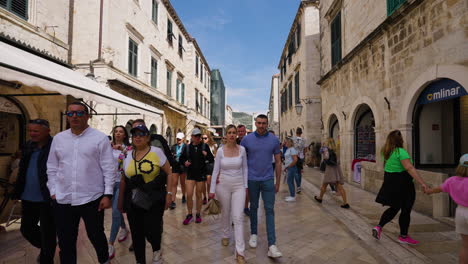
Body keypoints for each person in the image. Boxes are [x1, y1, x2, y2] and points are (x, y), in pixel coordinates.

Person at [47, 102, 115, 264]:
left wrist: (108, 194)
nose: (74, 116)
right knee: (66, 240)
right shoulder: (59, 139)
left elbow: (108, 168)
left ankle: (104, 260)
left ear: (88, 115)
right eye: (70, 114)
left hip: (92, 197)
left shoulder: (99, 138)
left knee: (96, 235)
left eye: (79, 113)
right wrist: (53, 190)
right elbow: (52, 167)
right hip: (64, 197)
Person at [117, 125, 173, 264]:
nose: (137, 137)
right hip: (134, 200)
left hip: (154, 199)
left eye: (141, 134)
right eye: (135, 134)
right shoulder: (128, 155)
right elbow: (124, 178)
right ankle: (139, 260)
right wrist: (120, 199)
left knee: (152, 230)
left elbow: (169, 172)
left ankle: (156, 252)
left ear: (148, 137)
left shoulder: (156, 152)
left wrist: (169, 194)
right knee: (136, 233)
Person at [372, 130, 428, 245]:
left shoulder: (386, 151)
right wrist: (422, 183)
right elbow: (409, 168)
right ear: (400, 140)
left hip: (390, 183)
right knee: (406, 210)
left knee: (394, 208)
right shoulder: (401, 152)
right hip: (403, 185)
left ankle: (379, 227)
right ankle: (403, 236)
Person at [13, 119, 56, 264]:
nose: (32, 134)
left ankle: (47, 257)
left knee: (47, 231)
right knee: (26, 229)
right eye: (30, 130)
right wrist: (16, 192)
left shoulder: (55, 146)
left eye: (36, 131)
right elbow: (22, 171)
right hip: (28, 196)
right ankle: (47, 248)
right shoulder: (28, 146)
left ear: (47, 131)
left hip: (47, 197)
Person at [241, 114, 283, 258]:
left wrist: (278, 181)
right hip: (251, 179)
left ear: (267, 124)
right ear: (255, 123)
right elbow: (241, 160)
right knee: (253, 207)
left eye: (264, 123)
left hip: (267, 179)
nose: (261, 126)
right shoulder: (246, 140)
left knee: (269, 210)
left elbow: (278, 162)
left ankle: (272, 244)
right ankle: (253, 234)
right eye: (259, 123)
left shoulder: (274, 140)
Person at [209, 125, 248, 264]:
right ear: (226, 135)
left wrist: (246, 186)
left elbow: (245, 168)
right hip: (223, 185)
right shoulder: (220, 151)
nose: (232, 135)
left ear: (237, 135)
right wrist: (212, 190)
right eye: (229, 133)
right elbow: (215, 171)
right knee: (226, 212)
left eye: (234, 133)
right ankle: (225, 234)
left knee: (238, 217)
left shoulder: (242, 150)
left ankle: (240, 252)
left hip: (239, 186)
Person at [426, 154, 468, 263]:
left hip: (460, 212)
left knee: (465, 245)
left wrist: (428, 191)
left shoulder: (452, 180)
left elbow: (439, 189)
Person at [180, 128, 214, 225]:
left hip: (201, 174)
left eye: (199, 136)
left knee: (199, 195)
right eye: (196, 136)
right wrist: (184, 162)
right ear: (192, 137)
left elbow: (211, 159)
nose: (198, 138)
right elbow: (181, 158)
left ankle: (198, 214)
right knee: (189, 195)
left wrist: (206, 154)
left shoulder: (204, 146)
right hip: (190, 174)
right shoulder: (187, 147)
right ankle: (190, 214)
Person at [107, 125, 131, 259]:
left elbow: (131, 162)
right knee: (117, 210)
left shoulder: (129, 149)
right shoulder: (107, 147)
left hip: (121, 183)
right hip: (109, 183)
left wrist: (123, 150)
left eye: (121, 132)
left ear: (125, 135)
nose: (117, 133)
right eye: (115, 131)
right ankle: (123, 227)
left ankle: (110, 244)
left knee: (116, 211)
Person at [314, 138, 349, 208]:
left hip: (330, 169)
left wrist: (323, 153)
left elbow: (326, 158)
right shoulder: (336, 150)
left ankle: (320, 198)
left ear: (327, 143)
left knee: (325, 184)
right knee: (337, 185)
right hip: (336, 168)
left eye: (325, 142)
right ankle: (345, 203)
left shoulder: (326, 150)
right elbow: (338, 161)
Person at [170, 132, 187, 209]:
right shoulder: (173, 147)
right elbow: (170, 155)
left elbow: (188, 156)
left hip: (182, 167)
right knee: (174, 183)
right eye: (177, 139)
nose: (178, 140)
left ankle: (184, 195)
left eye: (180, 139)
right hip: (175, 166)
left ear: (183, 139)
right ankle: (173, 201)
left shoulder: (186, 147)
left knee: (183, 183)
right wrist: (173, 156)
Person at [236, 124, 250, 216]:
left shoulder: (249, 141)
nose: (241, 133)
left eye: (242, 131)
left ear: (245, 132)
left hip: (248, 168)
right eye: (239, 131)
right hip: (236, 169)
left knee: (246, 189)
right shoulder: (234, 141)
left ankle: (245, 207)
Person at [202, 133, 217, 204]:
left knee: (208, 182)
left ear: (209, 138)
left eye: (205, 138)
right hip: (202, 165)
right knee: (202, 183)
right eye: (202, 138)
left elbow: (216, 155)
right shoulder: (201, 146)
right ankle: (204, 196)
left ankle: (209, 197)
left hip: (210, 164)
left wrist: (209, 154)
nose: (204, 140)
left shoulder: (213, 145)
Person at [283, 138, 298, 202]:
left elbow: (295, 160)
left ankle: (292, 196)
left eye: (286, 142)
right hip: (289, 167)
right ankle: (292, 195)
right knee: (289, 181)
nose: (284, 143)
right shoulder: (288, 149)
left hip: (291, 167)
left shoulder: (292, 149)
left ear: (289, 143)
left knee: (290, 181)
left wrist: (289, 166)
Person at [292, 127, 306, 194]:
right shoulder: (304, 140)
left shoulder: (293, 139)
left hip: (294, 157)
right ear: (301, 133)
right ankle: (299, 186)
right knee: (299, 172)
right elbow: (305, 149)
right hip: (301, 157)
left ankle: (298, 186)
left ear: (296, 132)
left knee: (295, 172)